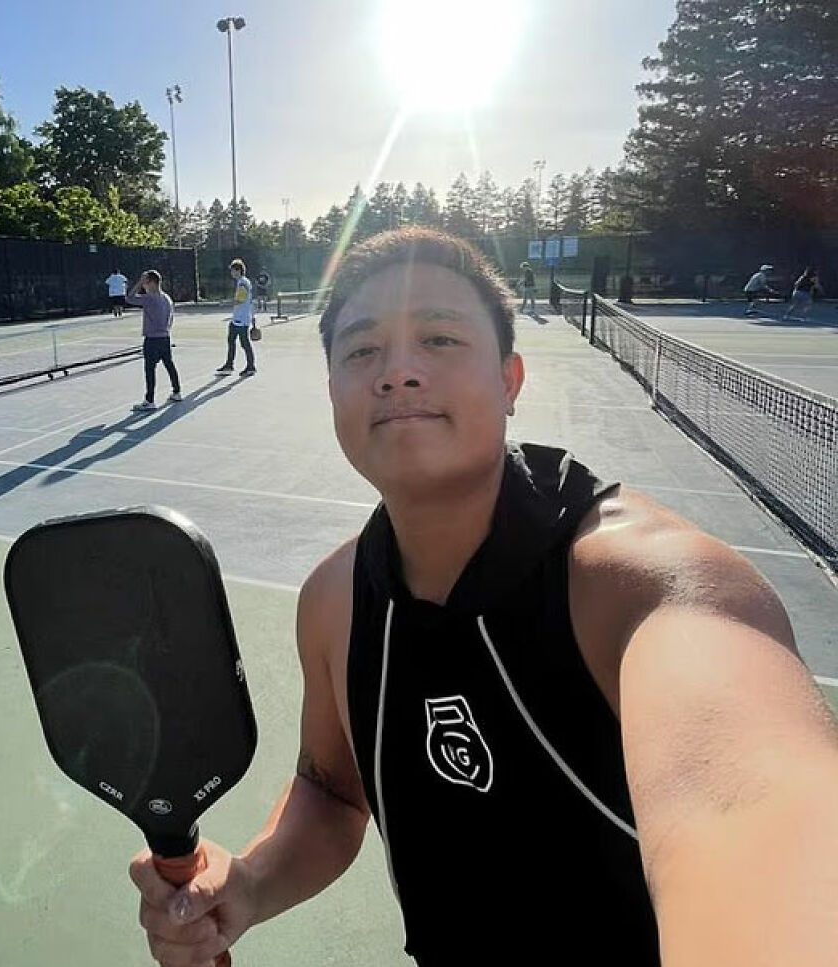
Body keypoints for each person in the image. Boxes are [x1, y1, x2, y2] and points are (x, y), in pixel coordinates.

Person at [130, 228, 838, 965]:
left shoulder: (648, 582)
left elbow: (754, 809)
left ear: (510, 380)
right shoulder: (333, 601)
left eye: (438, 339)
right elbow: (332, 790)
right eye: (362, 350)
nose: (396, 372)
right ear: (333, 389)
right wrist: (245, 886)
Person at [125, 269, 181, 412]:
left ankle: (149, 400)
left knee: (150, 370)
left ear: (150, 282)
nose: (144, 285)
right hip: (165, 337)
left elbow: (129, 298)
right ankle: (177, 392)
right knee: (169, 365)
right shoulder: (167, 298)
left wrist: (139, 282)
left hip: (152, 340)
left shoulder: (149, 298)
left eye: (145, 282)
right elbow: (171, 318)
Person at [216, 259, 258, 377]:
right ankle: (229, 365)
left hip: (241, 319)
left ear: (238, 270)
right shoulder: (242, 282)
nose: (231, 273)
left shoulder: (242, 283)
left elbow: (241, 300)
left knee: (244, 343)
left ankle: (251, 367)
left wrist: (226, 302)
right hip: (238, 318)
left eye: (233, 270)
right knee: (231, 340)